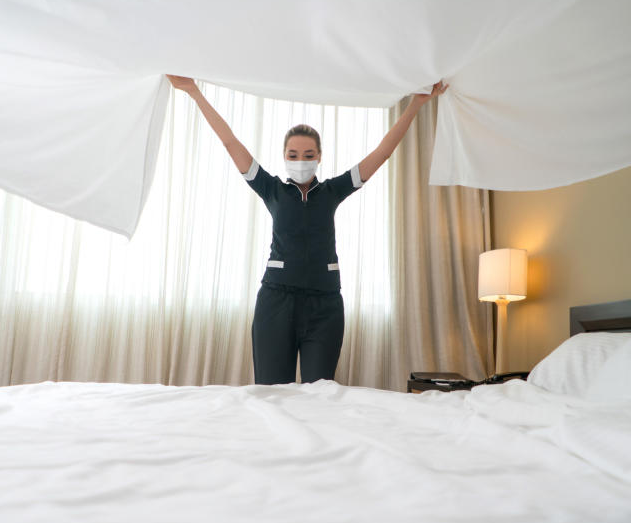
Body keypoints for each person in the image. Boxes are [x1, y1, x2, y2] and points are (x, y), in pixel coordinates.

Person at [167, 75, 447, 385]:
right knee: (272, 395)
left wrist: (416, 104)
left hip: (325, 305)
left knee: (321, 394)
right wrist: (194, 92)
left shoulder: (332, 191)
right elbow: (230, 141)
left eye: (308, 155)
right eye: (293, 155)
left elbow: (382, 153)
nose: (301, 161)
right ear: (284, 157)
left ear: (319, 157)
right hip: (276, 303)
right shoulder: (271, 189)